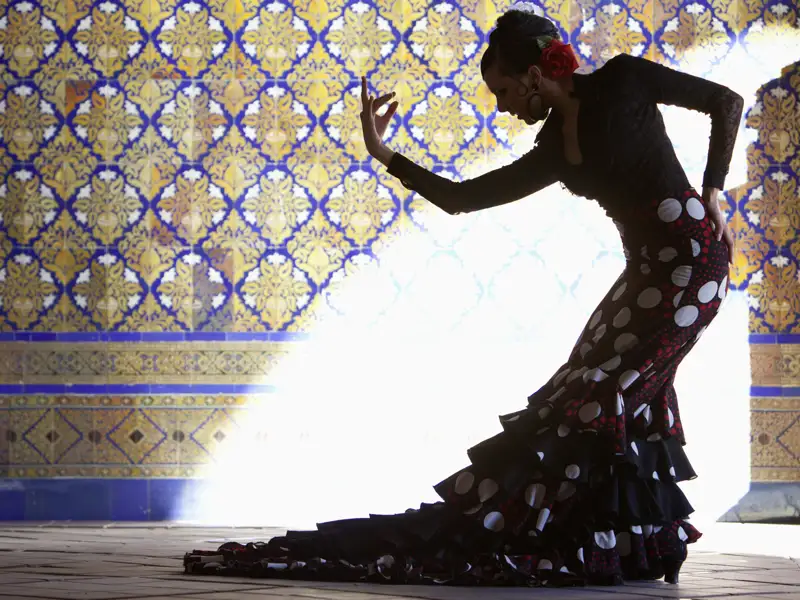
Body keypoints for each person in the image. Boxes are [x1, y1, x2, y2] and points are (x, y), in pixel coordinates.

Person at [183, 4, 743, 587]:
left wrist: (712, 191)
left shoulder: (623, 78)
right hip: (643, 274)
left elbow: (725, 103)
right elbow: (463, 198)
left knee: (606, 394)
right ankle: (633, 547)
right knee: (585, 390)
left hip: (695, 263)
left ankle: (593, 539)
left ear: (533, 74)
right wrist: (386, 155)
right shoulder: (554, 144)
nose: (500, 104)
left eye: (502, 89)